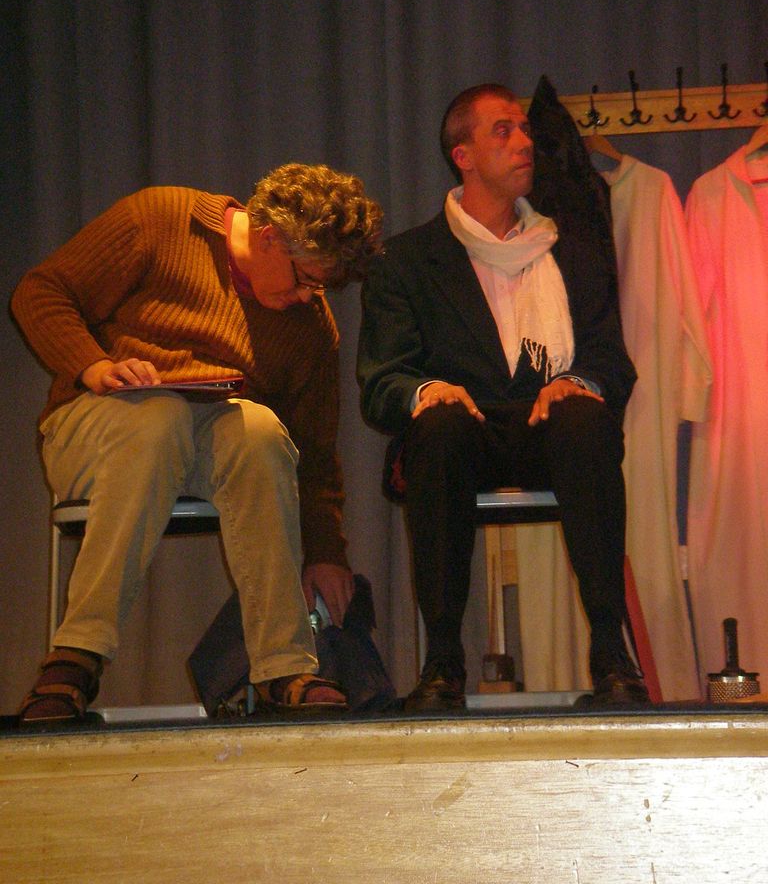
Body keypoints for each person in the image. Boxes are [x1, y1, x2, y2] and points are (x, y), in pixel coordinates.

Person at [12, 163, 382, 721]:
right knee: (158, 417)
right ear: (268, 238)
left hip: (207, 439)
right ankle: (76, 656)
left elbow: (313, 451)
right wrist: (94, 366)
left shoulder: (309, 323)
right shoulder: (163, 220)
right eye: (305, 278)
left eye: (321, 286)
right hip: (97, 427)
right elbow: (40, 293)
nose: (308, 296)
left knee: (259, 431)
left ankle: (284, 665)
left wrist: (327, 552)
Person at [357, 84, 651, 712]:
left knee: (583, 415)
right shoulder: (406, 260)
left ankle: (611, 654)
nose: (524, 142)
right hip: (464, 437)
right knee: (437, 427)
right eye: (503, 130)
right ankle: (442, 664)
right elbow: (382, 382)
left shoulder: (572, 251)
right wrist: (428, 391)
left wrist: (579, 381)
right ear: (462, 156)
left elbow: (611, 363)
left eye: (525, 129)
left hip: (552, 434)